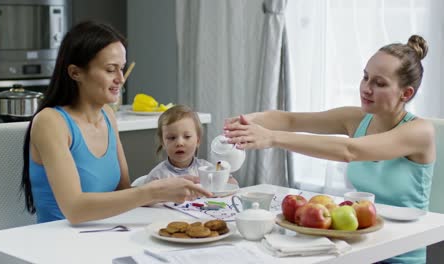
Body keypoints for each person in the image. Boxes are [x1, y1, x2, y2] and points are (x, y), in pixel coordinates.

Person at [224, 35, 434, 263]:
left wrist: (272, 138)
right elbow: (292, 120)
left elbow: (349, 151)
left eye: (379, 83)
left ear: (406, 93)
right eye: (365, 77)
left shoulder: (420, 131)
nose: (366, 88)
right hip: (359, 248)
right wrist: (247, 120)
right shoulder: (357, 119)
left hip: (400, 256)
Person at [21, 21, 211, 224]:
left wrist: (168, 190)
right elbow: (75, 210)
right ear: (75, 72)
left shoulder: (108, 117)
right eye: (111, 69)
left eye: (122, 68)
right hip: (59, 242)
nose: (121, 78)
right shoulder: (51, 122)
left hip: (107, 233)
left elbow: (123, 193)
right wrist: (151, 192)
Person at [144, 104, 238, 185]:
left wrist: (222, 175)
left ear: (198, 140)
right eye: (172, 138)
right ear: (163, 142)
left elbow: (233, 184)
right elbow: (144, 200)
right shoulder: (157, 176)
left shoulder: (206, 169)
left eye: (187, 136)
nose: (179, 143)